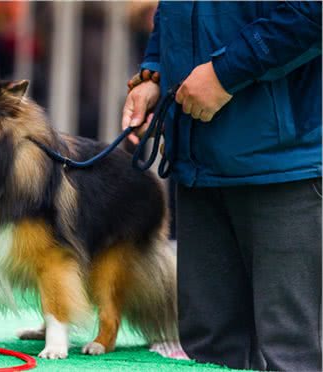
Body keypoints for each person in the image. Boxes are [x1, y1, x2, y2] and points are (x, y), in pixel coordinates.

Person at [121, 2, 321, 371]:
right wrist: (155, 74)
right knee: (207, 350)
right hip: (199, 164)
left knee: (293, 350)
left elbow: (312, 12)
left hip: (285, 167)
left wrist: (224, 74)